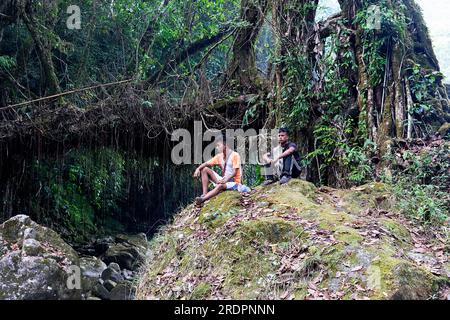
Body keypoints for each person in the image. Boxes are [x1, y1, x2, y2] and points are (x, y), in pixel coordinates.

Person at [193, 135, 250, 205]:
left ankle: (202, 199)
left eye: (218, 145)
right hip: (224, 180)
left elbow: (235, 172)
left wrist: (225, 180)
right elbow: (206, 164)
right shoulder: (219, 156)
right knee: (204, 169)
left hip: (234, 183)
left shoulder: (235, 155)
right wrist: (198, 169)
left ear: (225, 145)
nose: (217, 148)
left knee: (220, 186)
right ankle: (204, 194)